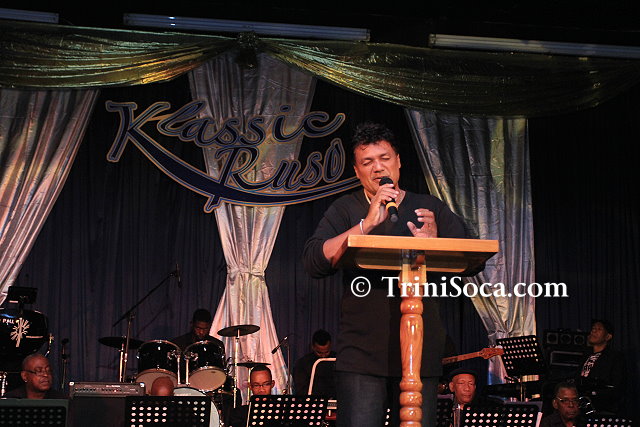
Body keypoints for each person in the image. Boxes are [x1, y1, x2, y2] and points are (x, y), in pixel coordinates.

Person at [303, 122, 470, 427]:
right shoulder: (346, 209)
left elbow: (473, 257)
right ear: (357, 171)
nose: (378, 168)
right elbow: (314, 260)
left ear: (398, 162)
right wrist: (366, 225)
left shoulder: (427, 207)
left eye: (384, 158)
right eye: (367, 162)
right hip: (362, 355)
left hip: (419, 351)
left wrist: (437, 243)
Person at [575, 319, 625, 414]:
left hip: (601, 406)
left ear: (608, 336)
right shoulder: (586, 355)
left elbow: (616, 385)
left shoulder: (614, 357)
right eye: (593, 328)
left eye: (598, 329)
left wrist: (595, 393)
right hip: (582, 403)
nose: (593, 331)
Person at [293, 329, 337, 397]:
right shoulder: (303, 363)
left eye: (326, 352)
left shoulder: (338, 360)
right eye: (319, 352)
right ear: (313, 347)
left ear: (330, 346)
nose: (323, 356)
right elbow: (301, 389)